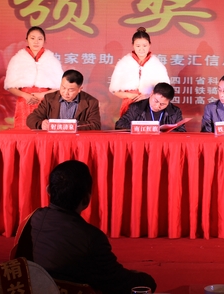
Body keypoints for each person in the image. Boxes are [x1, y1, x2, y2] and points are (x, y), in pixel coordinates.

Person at [12, 160, 157, 294]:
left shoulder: (32, 219)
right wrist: (145, 280)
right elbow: (117, 282)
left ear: (48, 190)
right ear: (86, 200)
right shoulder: (92, 238)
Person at [4, 26, 64, 129]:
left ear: (44, 41)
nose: (36, 42)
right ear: (27, 40)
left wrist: (41, 95)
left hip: (45, 102)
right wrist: (25, 95)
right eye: (32, 38)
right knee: (24, 132)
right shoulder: (17, 59)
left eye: (40, 39)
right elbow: (10, 86)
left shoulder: (52, 60)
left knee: (44, 132)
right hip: (24, 102)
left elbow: (60, 88)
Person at [109, 27, 170, 117]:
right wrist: (129, 95)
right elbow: (114, 90)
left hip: (150, 107)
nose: (141, 49)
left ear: (149, 45)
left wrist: (147, 95)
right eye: (138, 46)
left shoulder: (157, 65)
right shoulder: (123, 63)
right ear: (133, 45)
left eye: (144, 46)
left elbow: (164, 90)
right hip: (128, 107)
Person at [26, 69, 101, 130]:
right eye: (63, 87)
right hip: (54, 140)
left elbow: (95, 125)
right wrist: (41, 124)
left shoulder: (91, 102)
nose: (65, 93)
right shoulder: (50, 98)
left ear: (80, 89)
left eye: (71, 90)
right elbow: (31, 119)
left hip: (77, 140)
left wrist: (70, 125)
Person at [115, 82, 186, 131]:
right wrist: (144, 128)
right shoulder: (136, 107)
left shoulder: (175, 111)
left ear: (169, 102)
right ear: (151, 93)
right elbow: (119, 125)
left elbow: (182, 132)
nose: (157, 106)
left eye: (162, 104)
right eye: (156, 101)